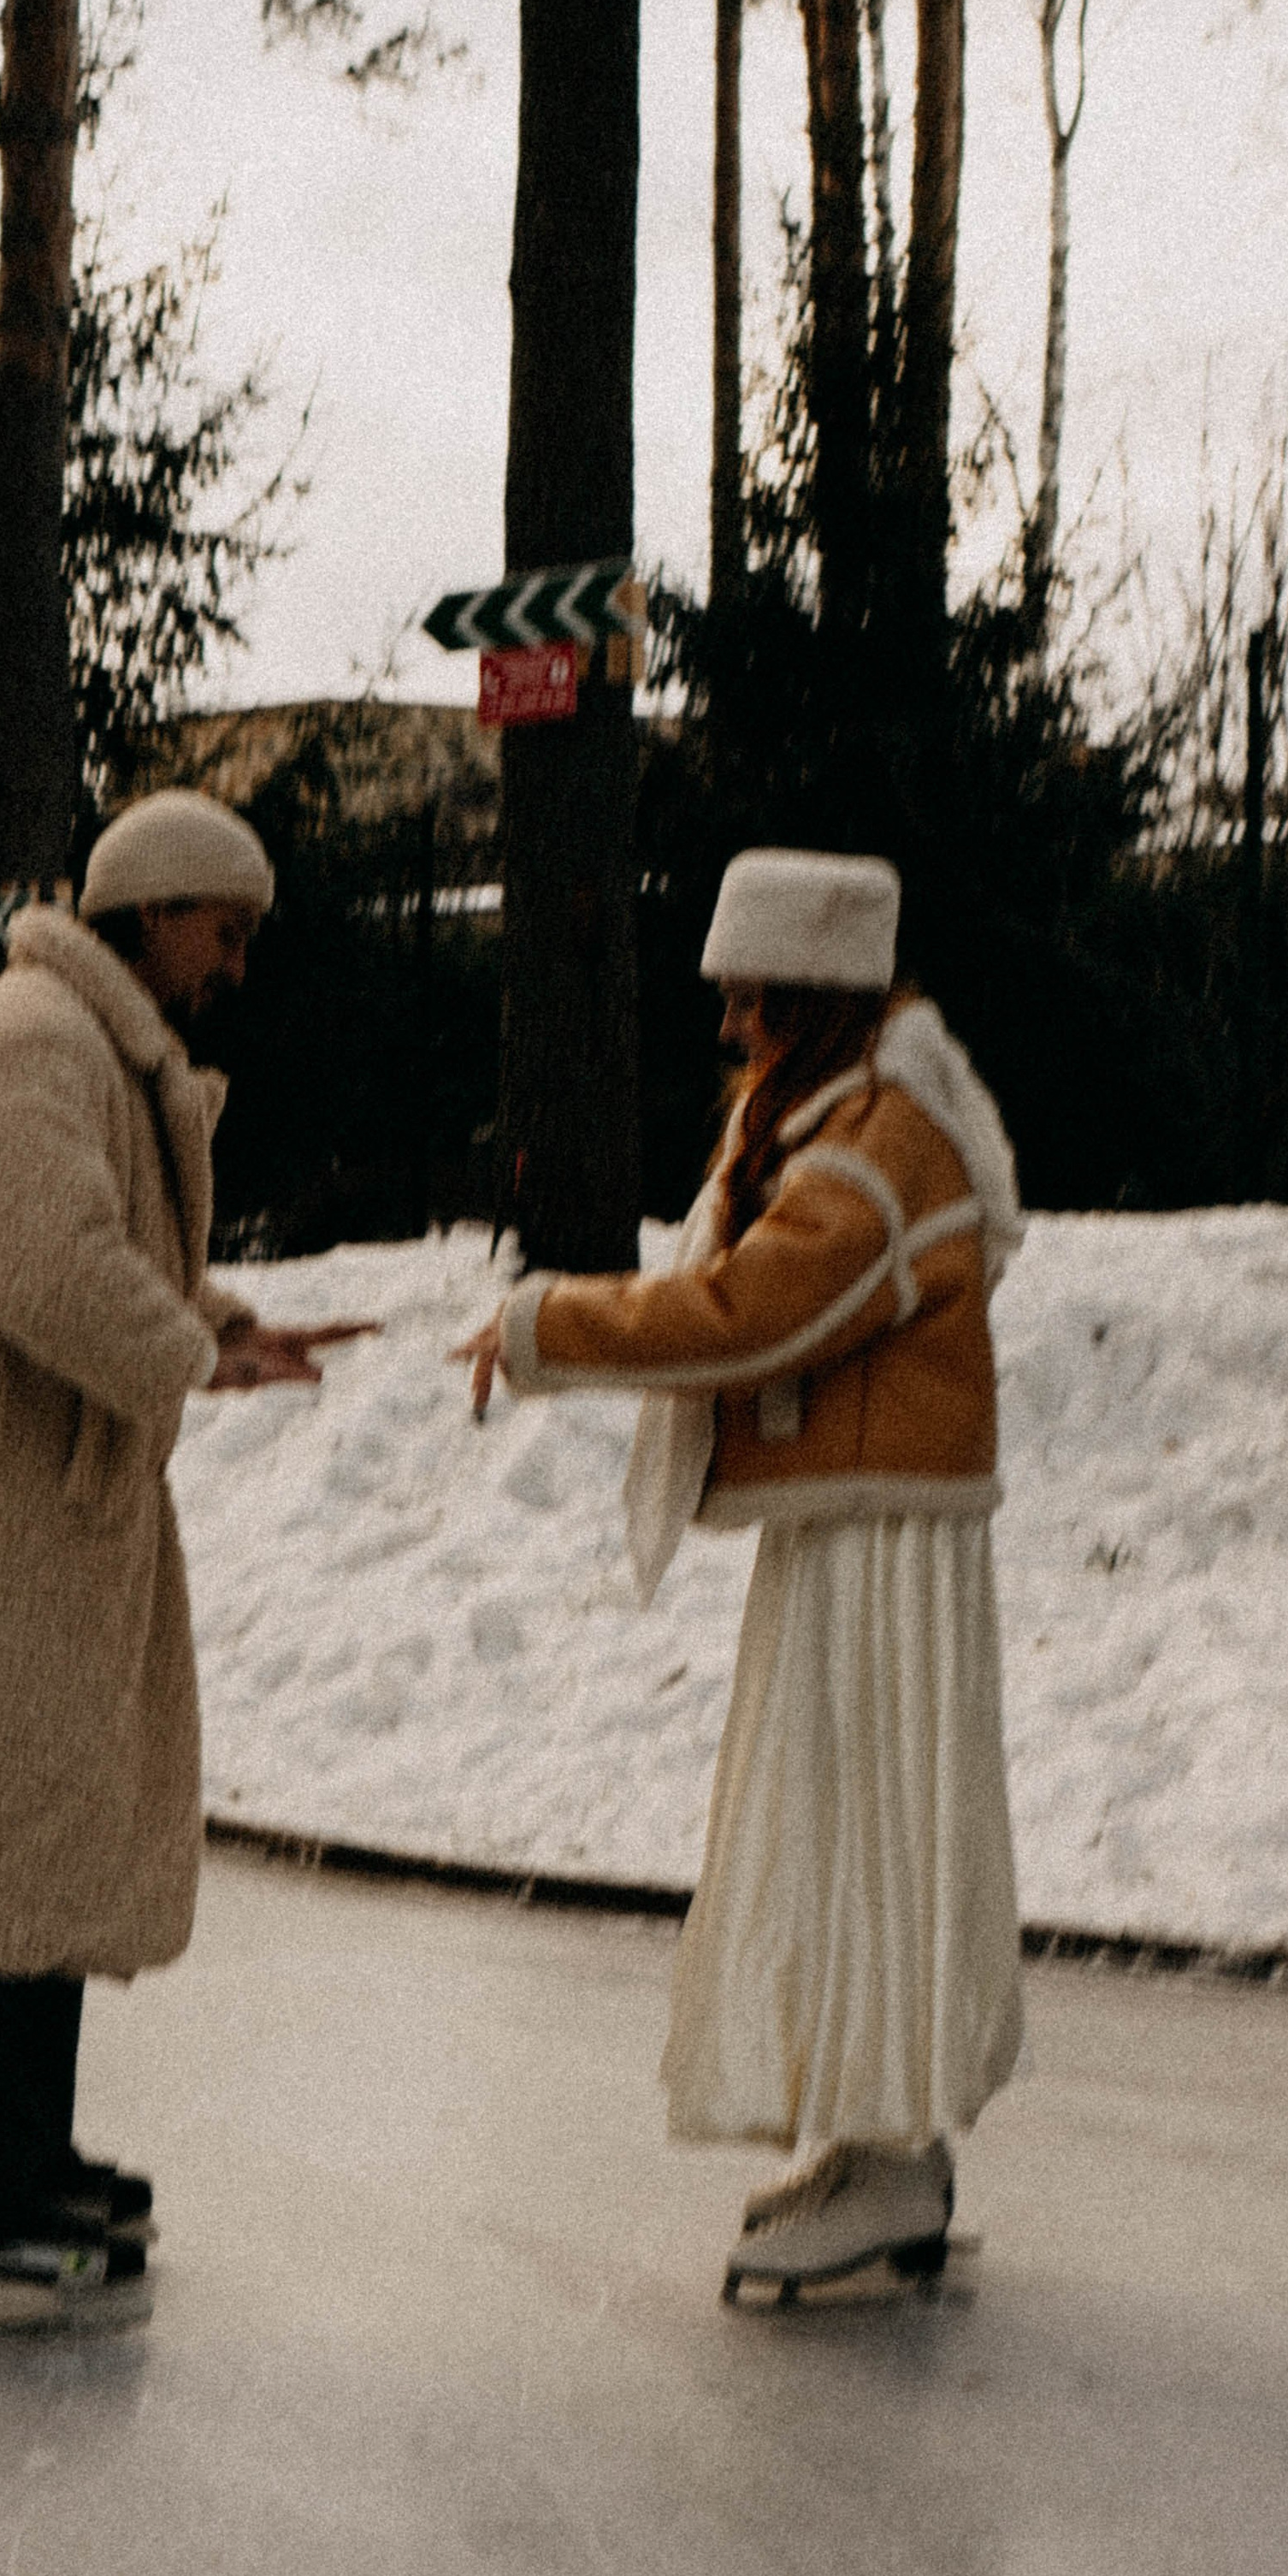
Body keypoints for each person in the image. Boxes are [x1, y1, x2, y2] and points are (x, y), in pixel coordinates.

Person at [0, 789, 375, 2338]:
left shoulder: (82, 1043)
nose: (236, 962)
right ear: (153, 910)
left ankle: (25, 2156)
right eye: (224, 931)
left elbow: (105, 1250)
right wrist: (192, 1355)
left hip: (38, 1523)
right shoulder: (31, 1040)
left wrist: (221, 1326)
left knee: (35, 1849)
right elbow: (43, 1266)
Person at [458, 847, 1025, 2300]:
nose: (728, 1028)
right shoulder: (842, 1117)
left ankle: (896, 2149)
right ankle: (873, 2129)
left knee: (874, 1828)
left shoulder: (885, 1150)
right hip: (850, 1526)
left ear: (811, 990)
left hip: (882, 1543)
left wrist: (545, 1327)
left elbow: (752, 1316)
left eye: (749, 999)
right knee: (844, 1826)